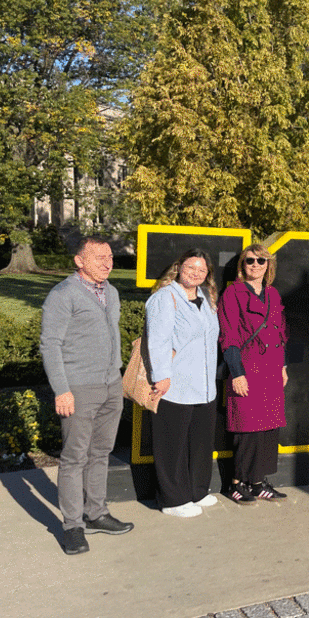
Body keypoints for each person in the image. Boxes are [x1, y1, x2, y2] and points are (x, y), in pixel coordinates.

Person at [40, 237, 134, 555]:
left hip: (110, 385)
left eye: (109, 256)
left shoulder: (112, 291)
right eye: (98, 257)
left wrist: (118, 377)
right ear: (80, 261)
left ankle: (96, 513)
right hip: (79, 387)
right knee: (74, 457)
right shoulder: (63, 294)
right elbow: (50, 344)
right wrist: (62, 389)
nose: (107, 263)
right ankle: (73, 526)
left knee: (100, 453)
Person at [146, 249, 221, 517]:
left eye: (202, 270)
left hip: (204, 386)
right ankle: (173, 500)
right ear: (178, 267)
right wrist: (161, 376)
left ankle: (197, 491)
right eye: (191, 268)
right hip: (175, 385)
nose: (196, 274)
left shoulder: (207, 297)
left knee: (200, 443)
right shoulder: (165, 298)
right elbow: (158, 340)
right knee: (172, 446)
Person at [218, 244, 289, 503]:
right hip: (247, 368)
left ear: (268, 265)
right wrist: (236, 373)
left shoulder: (273, 294)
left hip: (271, 369)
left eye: (261, 261)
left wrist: (283, 366)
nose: (256, 265)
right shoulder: (232, 293)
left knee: (269, 427)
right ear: (242, 265)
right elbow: (229, 336)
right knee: (246, 427)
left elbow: (281, 333)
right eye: (250, 261)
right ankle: (236, 483)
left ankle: (258, 482)